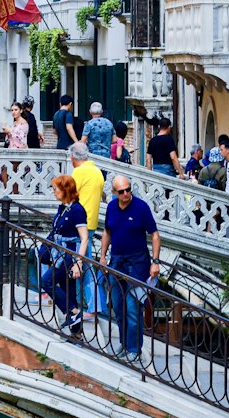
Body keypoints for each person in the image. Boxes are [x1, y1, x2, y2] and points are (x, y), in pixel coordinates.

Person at [100, 174, 162, 359]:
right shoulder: (111, 207)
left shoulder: (141, 207)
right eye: (122, 191)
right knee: (118, 306)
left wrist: (156, 262)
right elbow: (107, 232)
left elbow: (155, 235)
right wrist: (102, 256)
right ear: (114, 193)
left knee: (133, 308)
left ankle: (134, 349)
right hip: (117, 262)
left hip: (138, 264)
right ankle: (124, 345)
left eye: (128, 189)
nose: (126, 193)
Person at [39, 173, 89, 337]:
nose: (53, 191)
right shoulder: (63, 207)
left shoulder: (77, 210)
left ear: (65, 189)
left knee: (47, 281)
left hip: (69, 254)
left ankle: (73, 312)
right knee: (69, 289)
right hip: (59, 252)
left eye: (55, 188)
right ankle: (77, 333)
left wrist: (78, 262)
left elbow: (84, 238)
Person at [69, 142, 106, 315]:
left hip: (78, 225)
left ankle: (93, 308)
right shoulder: (97, 172)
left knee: (84, 265)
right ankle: (84, 304)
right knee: (83, 264)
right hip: (90, 223)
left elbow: (67, 196)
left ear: (72, 157)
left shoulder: (79, 172)